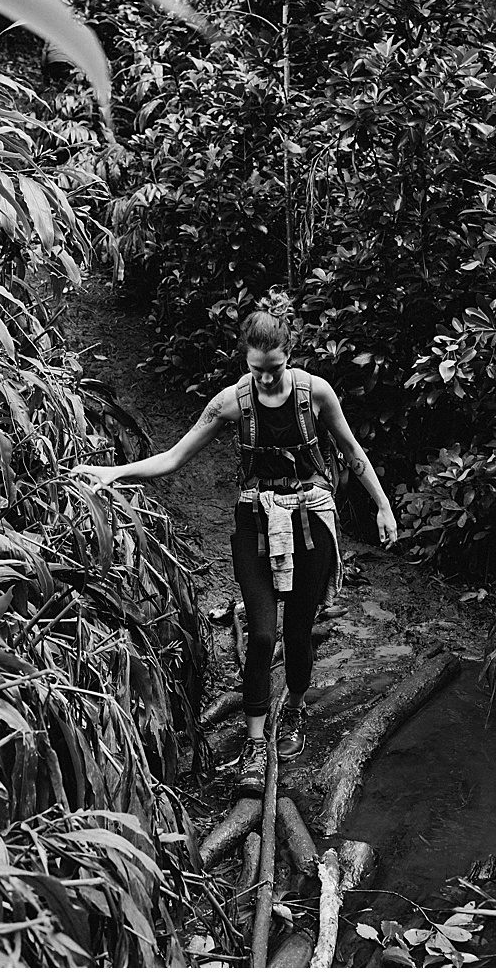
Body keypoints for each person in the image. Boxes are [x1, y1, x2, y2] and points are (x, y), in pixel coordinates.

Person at [75, 310, 397, 794]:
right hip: (257, 521)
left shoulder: (317, 394)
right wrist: (113, 474)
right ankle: (253, 742)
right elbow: (174, 457)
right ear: (245, 359)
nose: (266, 378)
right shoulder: (231, 402)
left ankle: (293, 708)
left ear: (289, 353)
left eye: (274, 367)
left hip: (311, 518)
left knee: (298, 629)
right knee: (264, 633)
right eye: (256, 368)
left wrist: (383, 506)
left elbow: (351, 449)